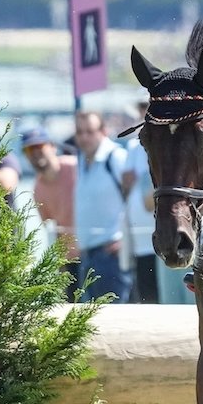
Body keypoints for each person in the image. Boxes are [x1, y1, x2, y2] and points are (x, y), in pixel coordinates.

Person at [71, 111, 131, 302]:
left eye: (90, 131)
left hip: (111, 255)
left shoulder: (116, 158)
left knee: (116, 320)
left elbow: (135, 198)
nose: (84, 137)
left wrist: (124, 238)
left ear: (103, 131)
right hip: (87, 255)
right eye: (80, 132)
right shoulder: (81, 160)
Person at [21, 126, 80, 291]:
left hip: (96, 250)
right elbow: (52, 229)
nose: (34, 152)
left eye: (39, 146)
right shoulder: (38, 189)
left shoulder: (75, 168)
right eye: (28, 149)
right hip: (69, 261)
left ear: (52, 146)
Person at [118, 106, 160, 304]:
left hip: (161, 239)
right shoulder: (134, 147)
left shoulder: (168, 140)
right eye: (142, 108)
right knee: (146, 300)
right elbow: (127, 183)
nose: (145, 112)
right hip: (140, 242)